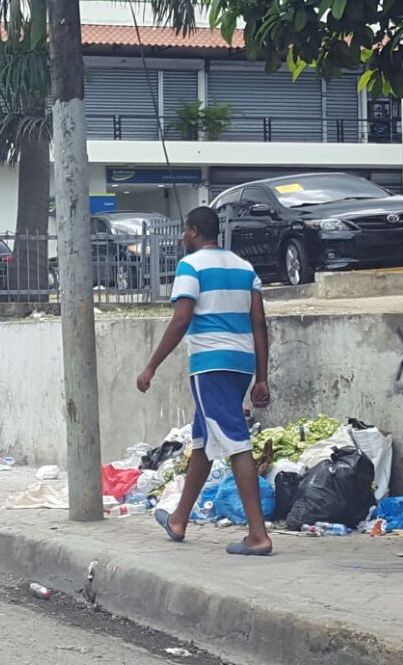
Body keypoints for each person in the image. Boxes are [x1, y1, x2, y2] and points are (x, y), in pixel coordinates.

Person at [136, 207, 274, 557]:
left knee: (235, 442)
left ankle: (257, 536)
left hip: (210, 363)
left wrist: (151, 366)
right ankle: (179, 519)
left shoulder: (191, 266)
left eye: (184, 231)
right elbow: (259, 323)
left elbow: (181, 319)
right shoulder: (245, 268)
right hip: (242, 363)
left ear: (195, 231)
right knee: (203, 440)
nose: (182, 237)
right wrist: (261, 376)